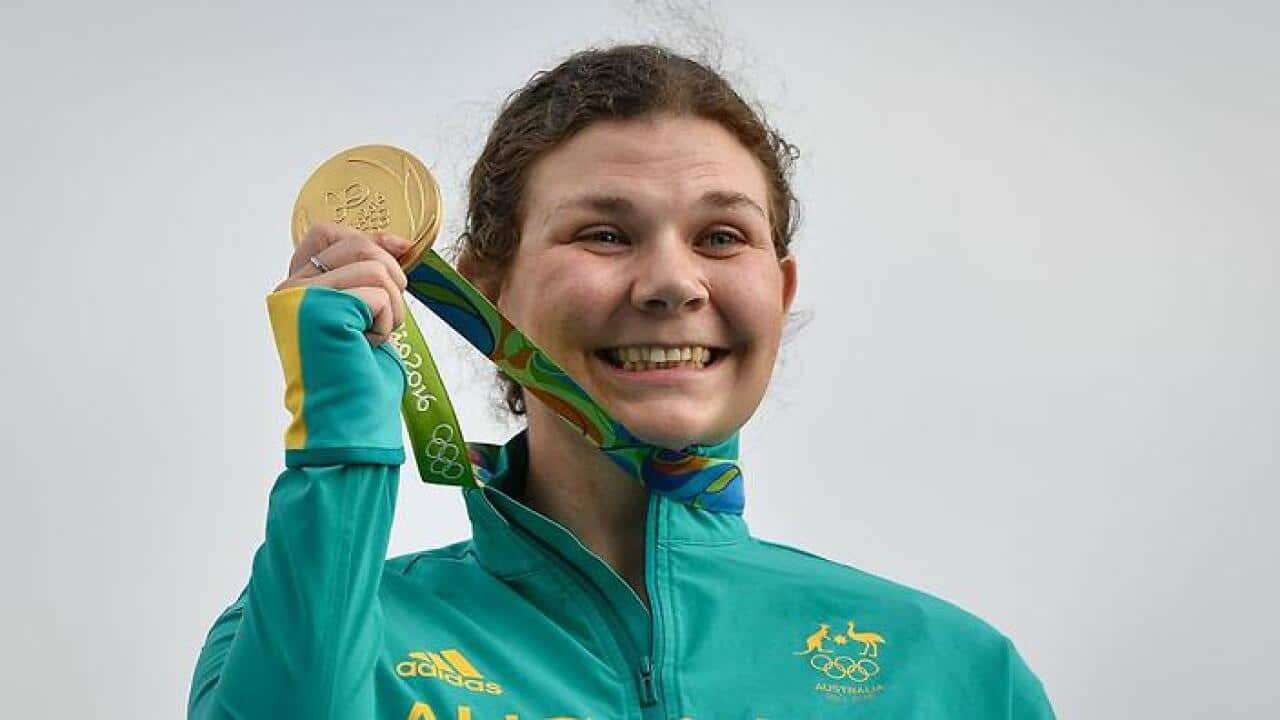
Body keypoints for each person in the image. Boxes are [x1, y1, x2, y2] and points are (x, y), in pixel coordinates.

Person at [188, 44, 1055, 719]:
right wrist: (343, 444)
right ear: (484, 290)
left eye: (722, 237)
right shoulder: (329, 636)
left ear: (780, 292)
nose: (674, 283)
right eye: (604, 234)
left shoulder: (953, 674)